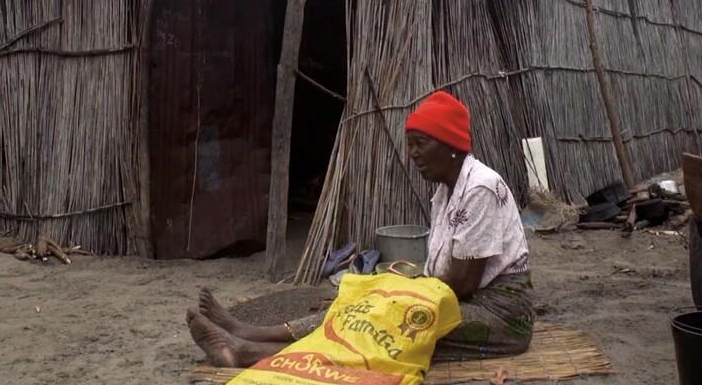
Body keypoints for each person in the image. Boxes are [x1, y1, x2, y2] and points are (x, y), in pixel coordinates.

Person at [187, 90, 533, 366]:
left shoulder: (480, 189)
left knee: (380, 326)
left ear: (451, 146)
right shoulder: (447, 191)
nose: (412, 154)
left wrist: (397, 297)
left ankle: (245, 352)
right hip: (459, 299)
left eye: (420, 144)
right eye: (410, 144)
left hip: (498, 316)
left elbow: (463, 284)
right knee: (361, 306)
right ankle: (251, 332)